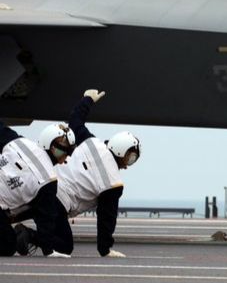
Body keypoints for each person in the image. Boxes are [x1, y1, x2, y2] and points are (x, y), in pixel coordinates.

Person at [42, 89, 137, 258]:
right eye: (129, 159)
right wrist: (105, 249)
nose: (127, 165)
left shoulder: (92, 142)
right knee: (64, 245)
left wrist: (87, 99)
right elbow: (106, 218)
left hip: (43, 180)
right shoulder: (113, 182)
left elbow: (75, 120)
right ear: (121, 151)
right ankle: (26, 236)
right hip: (59, 201)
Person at [0, 121, 73, 258]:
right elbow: (46, 218)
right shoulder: (48, 180)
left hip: (11, 203)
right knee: (8, 246)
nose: (65, 156)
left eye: (68, 151)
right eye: (63, 149)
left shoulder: (18, 141)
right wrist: (48, 251)